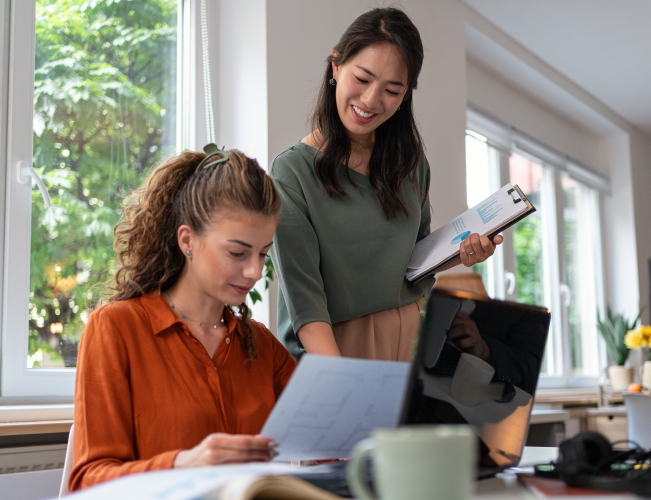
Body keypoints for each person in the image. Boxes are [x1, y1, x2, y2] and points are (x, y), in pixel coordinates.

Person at [270, 7, 502, 361]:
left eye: (392, 90)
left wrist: (460, 253)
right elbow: (305, 301)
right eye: (362, 79)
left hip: (412, 341)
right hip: (332, 347)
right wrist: (337, 378)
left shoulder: (410, 166)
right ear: (336, 66)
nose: (371, 101)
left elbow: (411, 264)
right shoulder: (293, 172)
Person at [70, 146, 296, 490]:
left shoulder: (262, 345)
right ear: (187, 240)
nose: (254, 271)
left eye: (263, 253)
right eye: (238, 252)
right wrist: (184, 463)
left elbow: (320, 439)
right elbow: (88, 481)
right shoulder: (116, 329)